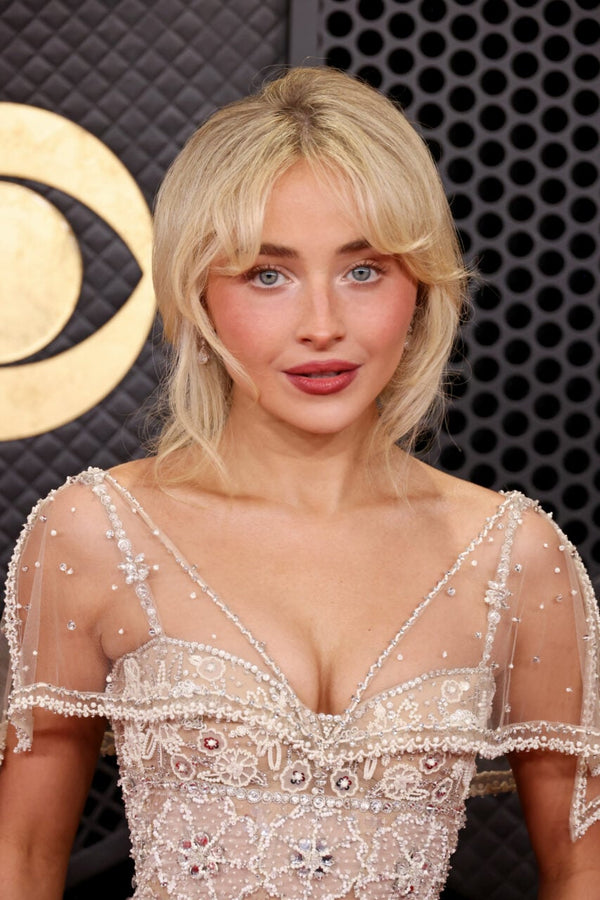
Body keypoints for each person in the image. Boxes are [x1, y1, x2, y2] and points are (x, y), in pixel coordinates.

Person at [1, 66, 599, 900]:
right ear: (198, 292)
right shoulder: (94, 531)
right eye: (267, 275)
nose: (323, 325)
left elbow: (583, 867)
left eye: (364, 271)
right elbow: (22, 858)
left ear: (422, 286)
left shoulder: (516, 556)